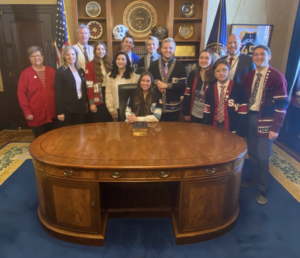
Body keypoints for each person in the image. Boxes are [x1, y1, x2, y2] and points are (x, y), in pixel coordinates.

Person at [241, 45, 289, 205]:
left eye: (262, 54)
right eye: (256, 54)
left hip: (266, 121)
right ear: (252, 57)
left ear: (269, 56)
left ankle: (262, 188)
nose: (259, 57)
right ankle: (254, 177)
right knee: (252, 154)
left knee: (263, 157)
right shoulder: (248, 77)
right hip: (250, 118)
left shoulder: (277, 77)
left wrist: (276, 128)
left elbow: (282, 105)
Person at [17, 46, 56, 138]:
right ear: (29, 58)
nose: (36, 58)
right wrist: (27, 111)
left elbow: (59, 91)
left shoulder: (51, 71)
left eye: (38, 55)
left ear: (42, 57)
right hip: (36, 114)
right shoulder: (25, 74)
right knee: (40, 141)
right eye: (33, 56)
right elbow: (21, 94)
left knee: (55, 139)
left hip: (53, 112)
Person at [203, 59, 248, 136]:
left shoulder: (239, 88)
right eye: (218, 71)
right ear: (214, 74)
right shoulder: (210, 89)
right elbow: (207, 111)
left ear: (229, 71)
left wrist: (241, 132)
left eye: (224, 70)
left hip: (233, 127)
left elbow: (243, 112)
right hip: (214, 126)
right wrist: (205, 128)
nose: (221, 73)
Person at [148, 38, 187, 121]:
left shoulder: (180, 66)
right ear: (161, 49)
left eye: (170, 48)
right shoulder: (153, 65)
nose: (167, 50)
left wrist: (166, 85)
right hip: (156, 108)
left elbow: (183, 85)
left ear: (174, 49)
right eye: (165, 48)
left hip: (173, 109)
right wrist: (157, 82)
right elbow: (147, 81)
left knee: (172, 133)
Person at [55, 46, 88, 126]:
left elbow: (83, 89)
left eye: (73, 54)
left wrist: (85, 104)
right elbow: (58, 93)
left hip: (80, 106)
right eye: (68, 55)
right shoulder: (61, 72)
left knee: (80, 131)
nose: (71, 57)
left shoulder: (80, 70)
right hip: (67, 108)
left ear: (76, 55)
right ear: (64, 57)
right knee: (69, 134)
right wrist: (60, 112)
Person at [182, 49, 216, 124]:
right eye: (201, 58)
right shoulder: (192, 74)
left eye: (207, 58)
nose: (203, 60)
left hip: (209, 116)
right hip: (193, 114)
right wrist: (186, 112)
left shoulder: (215, 76)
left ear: (212, 60)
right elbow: (187, 94)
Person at [106, 52, 139, 121]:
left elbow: (135, 94)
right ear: (115, 61)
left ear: (127, 62)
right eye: (118, 59)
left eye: (123, 59)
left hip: (129, 109)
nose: (120, 61)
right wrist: (111, 109)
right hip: (115, 108)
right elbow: (108, 94)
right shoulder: (110, 76)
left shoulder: (133, 76)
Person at [85, 41, 112, 122]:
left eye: (103, 49)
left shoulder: (108, 64)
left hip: (108, 94)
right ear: (95, 51)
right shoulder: (90, 65)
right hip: (97, 95)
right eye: (98, 49)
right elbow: (89, 85)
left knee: (108, 120)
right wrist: (91, 103)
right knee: (99, 122)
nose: (101, 51)